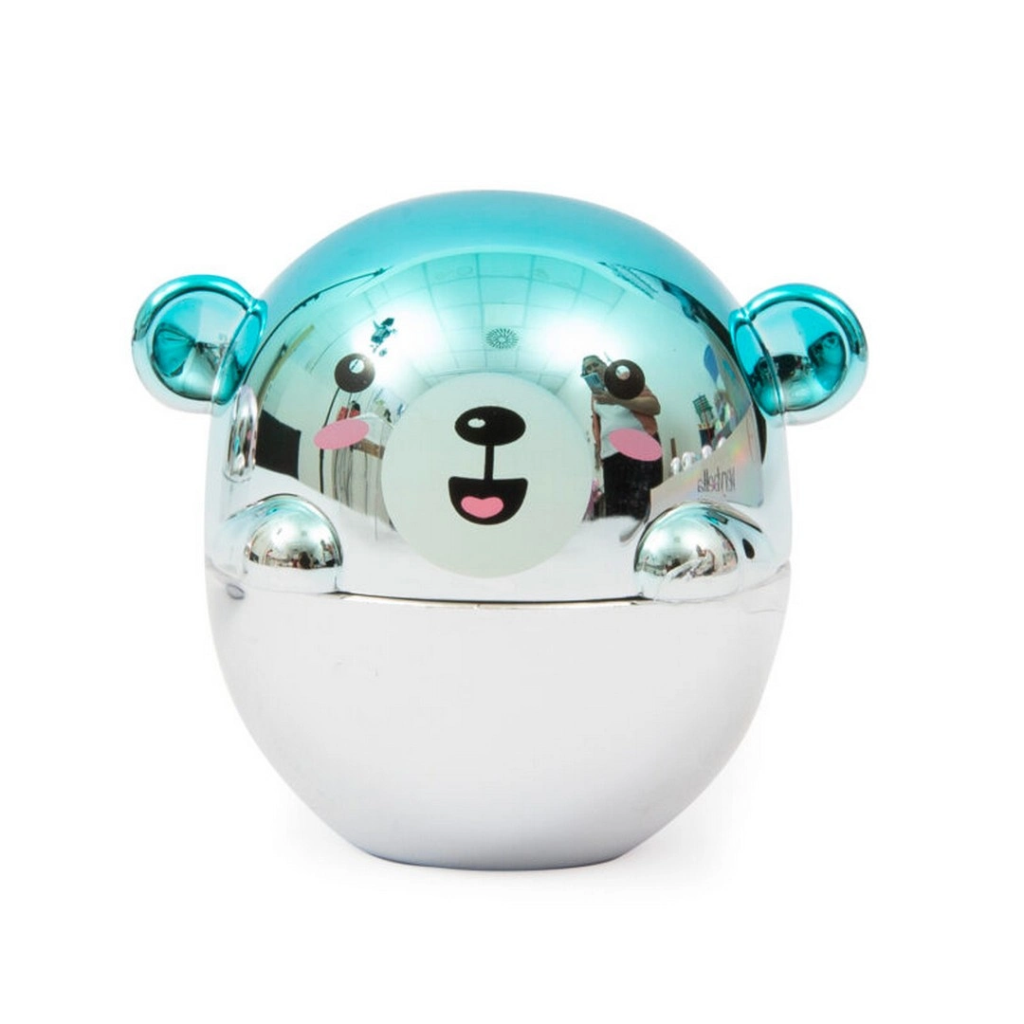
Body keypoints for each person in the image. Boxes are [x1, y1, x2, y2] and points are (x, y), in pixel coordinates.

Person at [580, 355, 663, 520]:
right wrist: (600, 452)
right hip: (610, 456)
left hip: (639, 445)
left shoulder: (625, 378)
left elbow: (654, 407)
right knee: (615, 512)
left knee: (646, 504)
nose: (592, 370)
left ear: (605, 365)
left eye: (595, 364)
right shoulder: (594, 396)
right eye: (587, 369)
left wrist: (617, 400)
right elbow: (600, 425)